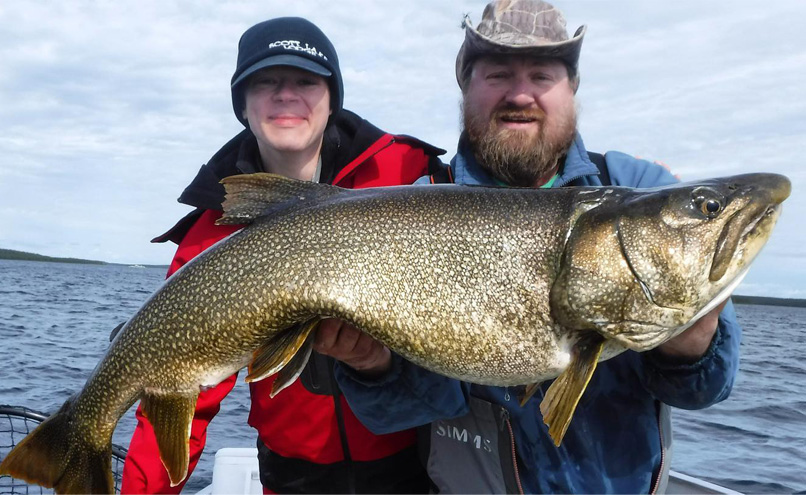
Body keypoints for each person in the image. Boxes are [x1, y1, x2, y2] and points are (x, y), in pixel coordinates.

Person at [317, 1, 742, 493]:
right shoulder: (418, 206)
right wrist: (373, 366)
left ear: (572, 89)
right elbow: (401, 414)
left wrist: (689, 348)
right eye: (498, 74)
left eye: (542, 74)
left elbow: (705, 391)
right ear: (465, 85)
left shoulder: (638, 187)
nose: (520, 94)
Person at [121, 17, 444, 494]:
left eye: (305, 81)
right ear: (243, 105)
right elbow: (179, 392)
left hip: (412, 463)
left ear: (332, 97)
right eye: (265, 82)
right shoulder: (211, 234)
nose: (285, 95)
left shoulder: (408, 175)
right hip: (292, 477)